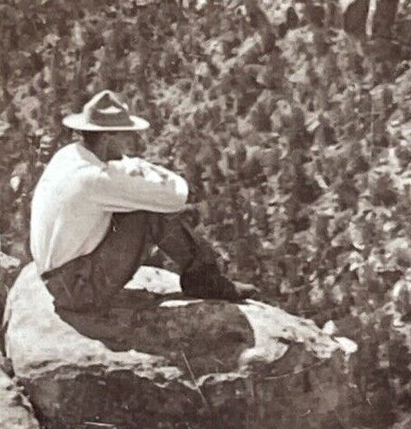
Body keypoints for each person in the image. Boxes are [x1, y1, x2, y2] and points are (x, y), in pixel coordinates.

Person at [29, 89, 253, 315]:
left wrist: (131, 166)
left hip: (62, 281)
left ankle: (204, 277)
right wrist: (139, 166)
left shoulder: (71, 155)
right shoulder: (95, 179)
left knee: (139, 202)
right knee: (149, 211)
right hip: (79, 289)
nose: (131, 141)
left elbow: (121, 169)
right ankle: (205, 278)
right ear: (108, 138)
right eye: (126, 135)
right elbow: (175, 196)